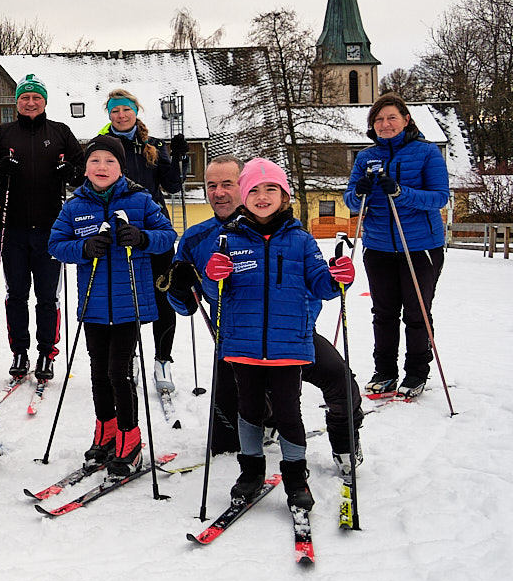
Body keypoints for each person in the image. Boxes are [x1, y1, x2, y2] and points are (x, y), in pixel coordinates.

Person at [168, 156, 364, 475]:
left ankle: (345, 444)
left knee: (339, 378)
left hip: (291, 337)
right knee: (228, 444)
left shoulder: (291, 235)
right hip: (237, 343)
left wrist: (333, 282)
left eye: (227, 184)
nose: (218, 192)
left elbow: (316, 286)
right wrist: (178, 289)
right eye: (211, 185)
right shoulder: (196, 238)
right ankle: (267, 425)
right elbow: (187, 306)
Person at [48, 136, 178, 476]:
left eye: (109, 162)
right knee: (98, 374)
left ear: (120, 168)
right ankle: (106, 433)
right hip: (93, 305)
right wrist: (85, 247)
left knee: (118, 373)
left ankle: (130, 438)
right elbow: (56, 245)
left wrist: (142, 237)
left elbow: (167, 234)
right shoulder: (74, 205)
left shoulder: (139, 199)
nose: (101, 167)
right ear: (86, 168)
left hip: (129, 304)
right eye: (95, 161)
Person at [343, 93, 450, 398]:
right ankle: (385, 371)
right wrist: (359, 193)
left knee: (417, 312)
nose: (385, 124)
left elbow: (439, 197)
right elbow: (350, 200)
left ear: (405, 120)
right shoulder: (365, 157)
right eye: (378, 119)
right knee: (384, 312)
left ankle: (416, 371)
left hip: (420, 246)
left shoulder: (427, 152)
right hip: (378, 247)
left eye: (391, 118)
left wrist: (401, 192)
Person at [0, 74, 82, 381]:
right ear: (17, 102)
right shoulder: (3, 133)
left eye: (36, 97)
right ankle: (20, 351)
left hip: (52, 230)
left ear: (45, 101)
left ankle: (46, 352)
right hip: (13, 228)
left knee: (48, 297)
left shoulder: (61, 132)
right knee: (17, 294)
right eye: (25, 97)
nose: (30, 102)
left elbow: (82, 173)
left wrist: (70, 172)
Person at [98, 88, 184, 387]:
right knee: (128, 297)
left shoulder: (153, 145)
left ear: (136, 111)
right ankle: (129, 357)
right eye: (114, 111)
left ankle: (162, 361)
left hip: (154, 230)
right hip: (121, 232)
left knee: (163, 297)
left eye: (125, 110)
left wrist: (178, 159)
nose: (120, 115)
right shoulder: (104, 147)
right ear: (108, 115)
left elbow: (172, 186)